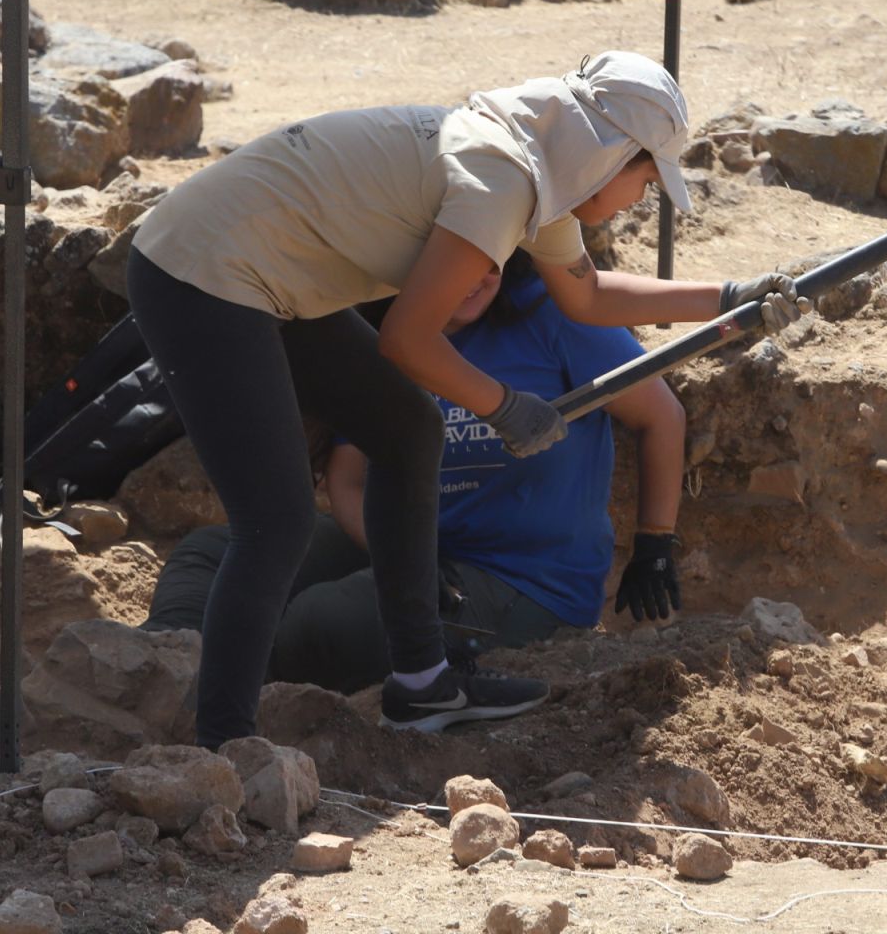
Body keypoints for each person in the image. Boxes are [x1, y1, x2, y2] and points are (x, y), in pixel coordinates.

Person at [126, 50, 807, 743]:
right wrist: (503, 406)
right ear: (608, 154)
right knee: (275, 521)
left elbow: (588, 293)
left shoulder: (536, 173)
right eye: (644, 178)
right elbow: (408, 341)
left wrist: (730, 298)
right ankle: (222, 749)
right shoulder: (500, 179)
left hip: (266, 270)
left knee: (408, 432)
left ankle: (422, 683)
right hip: (202, 268)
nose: (640, 198)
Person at [140, 254, 689, 695]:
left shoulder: (549, 314)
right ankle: (163, 670)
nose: (483, 274)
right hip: (414, 538)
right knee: (211, 554)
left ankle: (226, 696)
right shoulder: (386, 331)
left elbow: (661, 415)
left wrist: (655, 543)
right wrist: (405, 557)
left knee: (322, 624)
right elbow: (350, 480)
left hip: (524, 581)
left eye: (495, 257)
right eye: (462, 255)